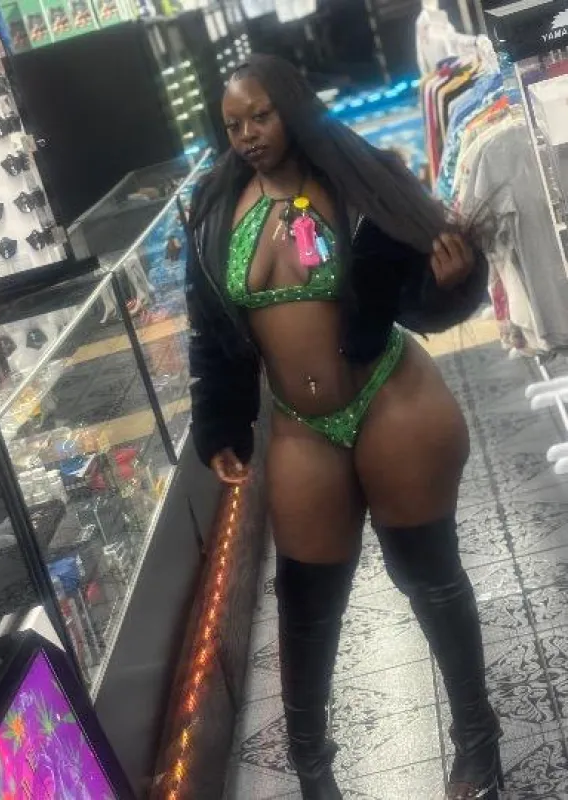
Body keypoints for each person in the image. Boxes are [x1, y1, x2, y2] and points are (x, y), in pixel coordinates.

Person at [186, 54, 501, 800]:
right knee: (306, 603)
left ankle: (478, 740)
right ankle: (312, 771)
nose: (248, 135)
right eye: (233, 125)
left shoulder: (358, 179)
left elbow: (416, 289)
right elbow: (210, 333)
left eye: (260, 116)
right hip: (300, 425)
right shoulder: (215, 209)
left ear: (289, 108)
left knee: (428, 576)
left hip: (391, 397)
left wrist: (450, 282)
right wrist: (221, 423)